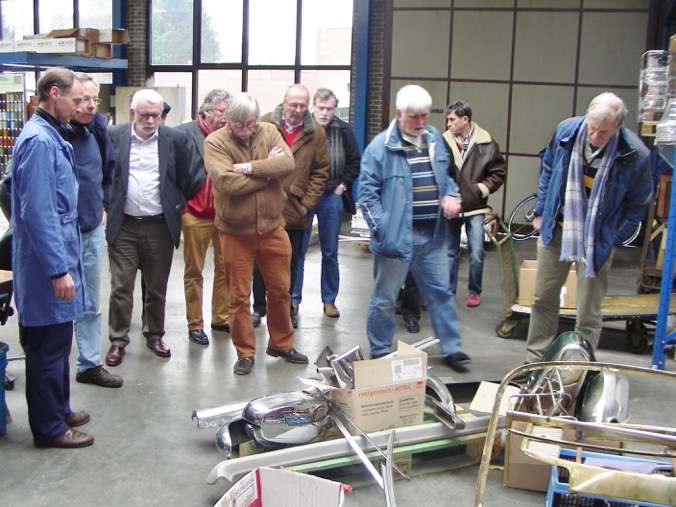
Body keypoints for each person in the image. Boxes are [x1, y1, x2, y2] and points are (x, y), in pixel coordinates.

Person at [523, 92, 652, 365]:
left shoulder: (635, 155)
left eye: (603, 132)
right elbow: (548, 168)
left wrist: (615, 236)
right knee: (543, 299)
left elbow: (639, 202)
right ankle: (534, 363)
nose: (594, 136)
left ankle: (580, 367)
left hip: (597, 240)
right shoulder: (566, 131)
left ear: (618, 127)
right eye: (592, 128)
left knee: (588, 311)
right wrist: (541, 210)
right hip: (557, 230)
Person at [358, 84, 469, 370]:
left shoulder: (434, 139)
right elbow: (367, 195)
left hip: (433, 235)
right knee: (385, 298)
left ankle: (452, 348)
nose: (421, 122)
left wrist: (451, 195)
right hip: (396, 239)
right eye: (414, 117)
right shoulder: (380, 148)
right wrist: (384, 228)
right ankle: (380, 350)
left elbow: (446, 178)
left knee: (441, 293)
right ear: (399, 114)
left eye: (425, 115)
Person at [11, 67, 93, 448]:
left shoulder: (51, 135)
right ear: (54, 94)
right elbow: (38, 212)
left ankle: (59, 409)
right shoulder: (39, 142)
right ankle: (49, 429)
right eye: (75, 100)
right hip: (46, 267)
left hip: (57, 258)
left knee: (59, 343)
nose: (80, 107)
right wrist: (58, 270)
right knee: (46, 348)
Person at [204, 92, 309, 375]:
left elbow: (287, 165)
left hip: (273, 228)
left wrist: (251, 168)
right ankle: (245, 353)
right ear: (228, 120)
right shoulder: (215, 142)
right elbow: (226, 183)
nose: (246, 129)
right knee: (239, 297)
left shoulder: (269, 131)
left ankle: (281, 344)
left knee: (281, 290)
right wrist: (268, 175)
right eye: (239, 124)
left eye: (251, 123)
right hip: (235, 233)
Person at [104, 89, 192, 367]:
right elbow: (103, 175)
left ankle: (154, 334)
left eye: (156, 115)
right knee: (121, 287)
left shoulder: (175, 139)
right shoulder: (113, 135)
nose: (151, 121)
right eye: (145, 115)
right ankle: (118, 340)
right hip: (124, 225)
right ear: (133, 113)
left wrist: (174, 205)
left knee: (156, 288)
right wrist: (107, 206)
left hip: (159, 226)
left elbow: (186, 178)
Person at [251, 84, 330, 329]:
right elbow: (251, 157)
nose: (297, 110)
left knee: (291, 262)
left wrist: (307, 204)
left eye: (302, 105)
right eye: (293, 104)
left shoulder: (315, 132)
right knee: (260, 261)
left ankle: (287, 309)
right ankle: (259, 308)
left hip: (295, 208)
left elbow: (321, 170)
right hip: (265, 205)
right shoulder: (265, 123)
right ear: (284, 102)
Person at [69, 74, 122, 388]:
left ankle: (89, 364)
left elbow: (107, 170)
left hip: (90, 229)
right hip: (60, 235)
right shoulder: (52, 134)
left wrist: (102, 205)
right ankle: (47, 366)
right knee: (55, 305)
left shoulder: (97, 129)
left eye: (94, 99)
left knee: (90, 302)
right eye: (82, 99)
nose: (90, 105)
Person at [291, 88, 361, 319]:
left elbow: (354, 162)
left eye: (329, 109)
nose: (324, 113)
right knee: (298, 250)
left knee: (330, 251)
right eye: (321, 108)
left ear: (335, 108)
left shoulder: (344, 131)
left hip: (331, 196)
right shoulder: (303, 129)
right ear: (314, 106)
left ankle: (329, 300)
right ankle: (293, 299)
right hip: (304, 197)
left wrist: (342, 187)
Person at [176, 89, 232, 346]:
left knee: (225, 269)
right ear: (207, 110)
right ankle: (195, 324)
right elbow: (172, 172)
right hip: (194, 215)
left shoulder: (229, 135)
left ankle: (220, 318)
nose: (226, 117)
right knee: (194, 271)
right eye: (222, 111)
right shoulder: (183, 134)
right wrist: (183, 209)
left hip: (224, 215)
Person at [444, 100, 506, 308]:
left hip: (476, 207)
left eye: (452, 119)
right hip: (452, 207)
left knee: (477, 252)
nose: (448, 124)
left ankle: (474, 291)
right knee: (449, 253)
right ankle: (448, 292)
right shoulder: (443, 142)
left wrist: (481, 189)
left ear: (465, 119)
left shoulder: (486, 143)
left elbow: (498, 173)